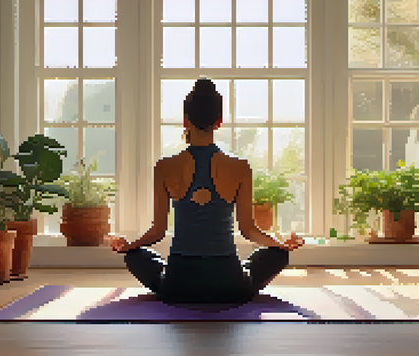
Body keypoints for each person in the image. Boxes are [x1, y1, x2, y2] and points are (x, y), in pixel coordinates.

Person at [110, 78, 304, 304]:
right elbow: (249, 231)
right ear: (219, 122)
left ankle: (169, 280)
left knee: (136, 257)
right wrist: (281, 245)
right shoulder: (240, 167)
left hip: (177, 285)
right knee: (277, 255)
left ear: (185, 121)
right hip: (229, 285)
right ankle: (241, 276)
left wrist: (129, 246)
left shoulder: (164, 167)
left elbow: (158, 232)